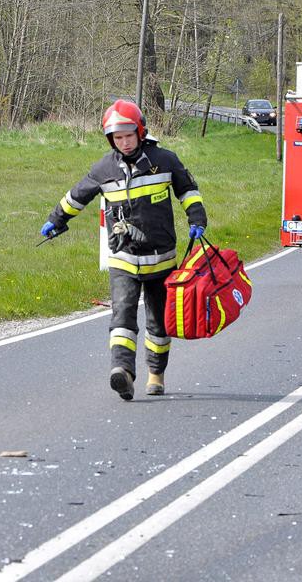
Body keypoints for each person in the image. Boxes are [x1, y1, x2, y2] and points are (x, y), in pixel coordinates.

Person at [41, 99, 207, 401]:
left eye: (129, 135)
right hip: (123, 258)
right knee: (123, 314)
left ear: (140, 131)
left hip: (161, 258)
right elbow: (77, 196)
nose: (125, 142)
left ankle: (156, 374)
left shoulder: (165, 160)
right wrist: (56, 220)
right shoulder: (104, 168)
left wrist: (197, 218)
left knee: (158, 321)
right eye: (118, 137)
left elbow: (188, 191)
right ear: (110, 139)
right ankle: (123, 371)